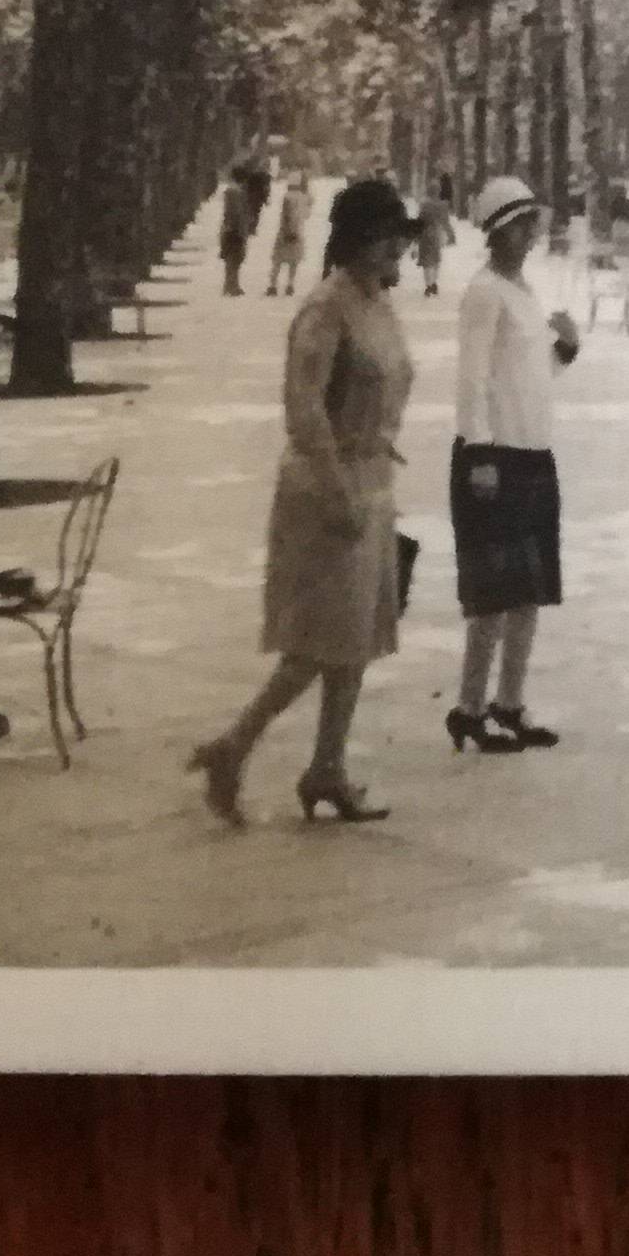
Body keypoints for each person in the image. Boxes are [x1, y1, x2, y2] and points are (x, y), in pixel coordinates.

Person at [188, 175, 422, 826]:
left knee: (358, 639)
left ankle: (327, 767)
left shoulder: (379, 304)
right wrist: (339, 489)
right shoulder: (326, 307)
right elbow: (304, 408)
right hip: (326, 489)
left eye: (397, 239)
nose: (393, 251)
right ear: (352, 242)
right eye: (380, 239)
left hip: (374, 482)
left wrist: (372, 485)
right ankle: (233, 748)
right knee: (318, 645)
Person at [446, 173, 579, 754]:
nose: (531, 235)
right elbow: (472, 379)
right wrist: (477, 452)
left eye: (532, 226)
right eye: (522, 226)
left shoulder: (523, 291)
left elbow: (529, 375)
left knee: (530, 592)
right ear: (499, 231)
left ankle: (510, 704)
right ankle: (469, 708)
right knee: (494, 598)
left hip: (532, 455)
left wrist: (565, 350)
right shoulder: (483, 292)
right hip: (494, 459)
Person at [267, 170, 312, 297]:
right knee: (294, 261)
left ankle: (273, 286)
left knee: (277, 261)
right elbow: (307, 215)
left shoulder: (287, 197)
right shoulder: (304, 197)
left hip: (284, 231)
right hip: (298, 232)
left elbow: (285, 215)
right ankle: (290, 285)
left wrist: (287, 229)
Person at [216, 163, 255, 298]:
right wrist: (242, 227)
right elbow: (237, 212)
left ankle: (229, 284)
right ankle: (232, 285)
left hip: (229, 227)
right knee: (235, 258)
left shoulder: (230, 190)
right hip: (235, 228)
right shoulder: (236, 192)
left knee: (230, 258)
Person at [415, 173, 456, 299]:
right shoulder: (443, 205)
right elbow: (445, 222)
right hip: (436, 234)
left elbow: (419, 221)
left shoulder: (424, 205)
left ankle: (429, 284)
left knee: (427, 262)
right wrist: (451, 235)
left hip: (424, 234)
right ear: (438, 192)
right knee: (436, 260)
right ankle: (433, 283)